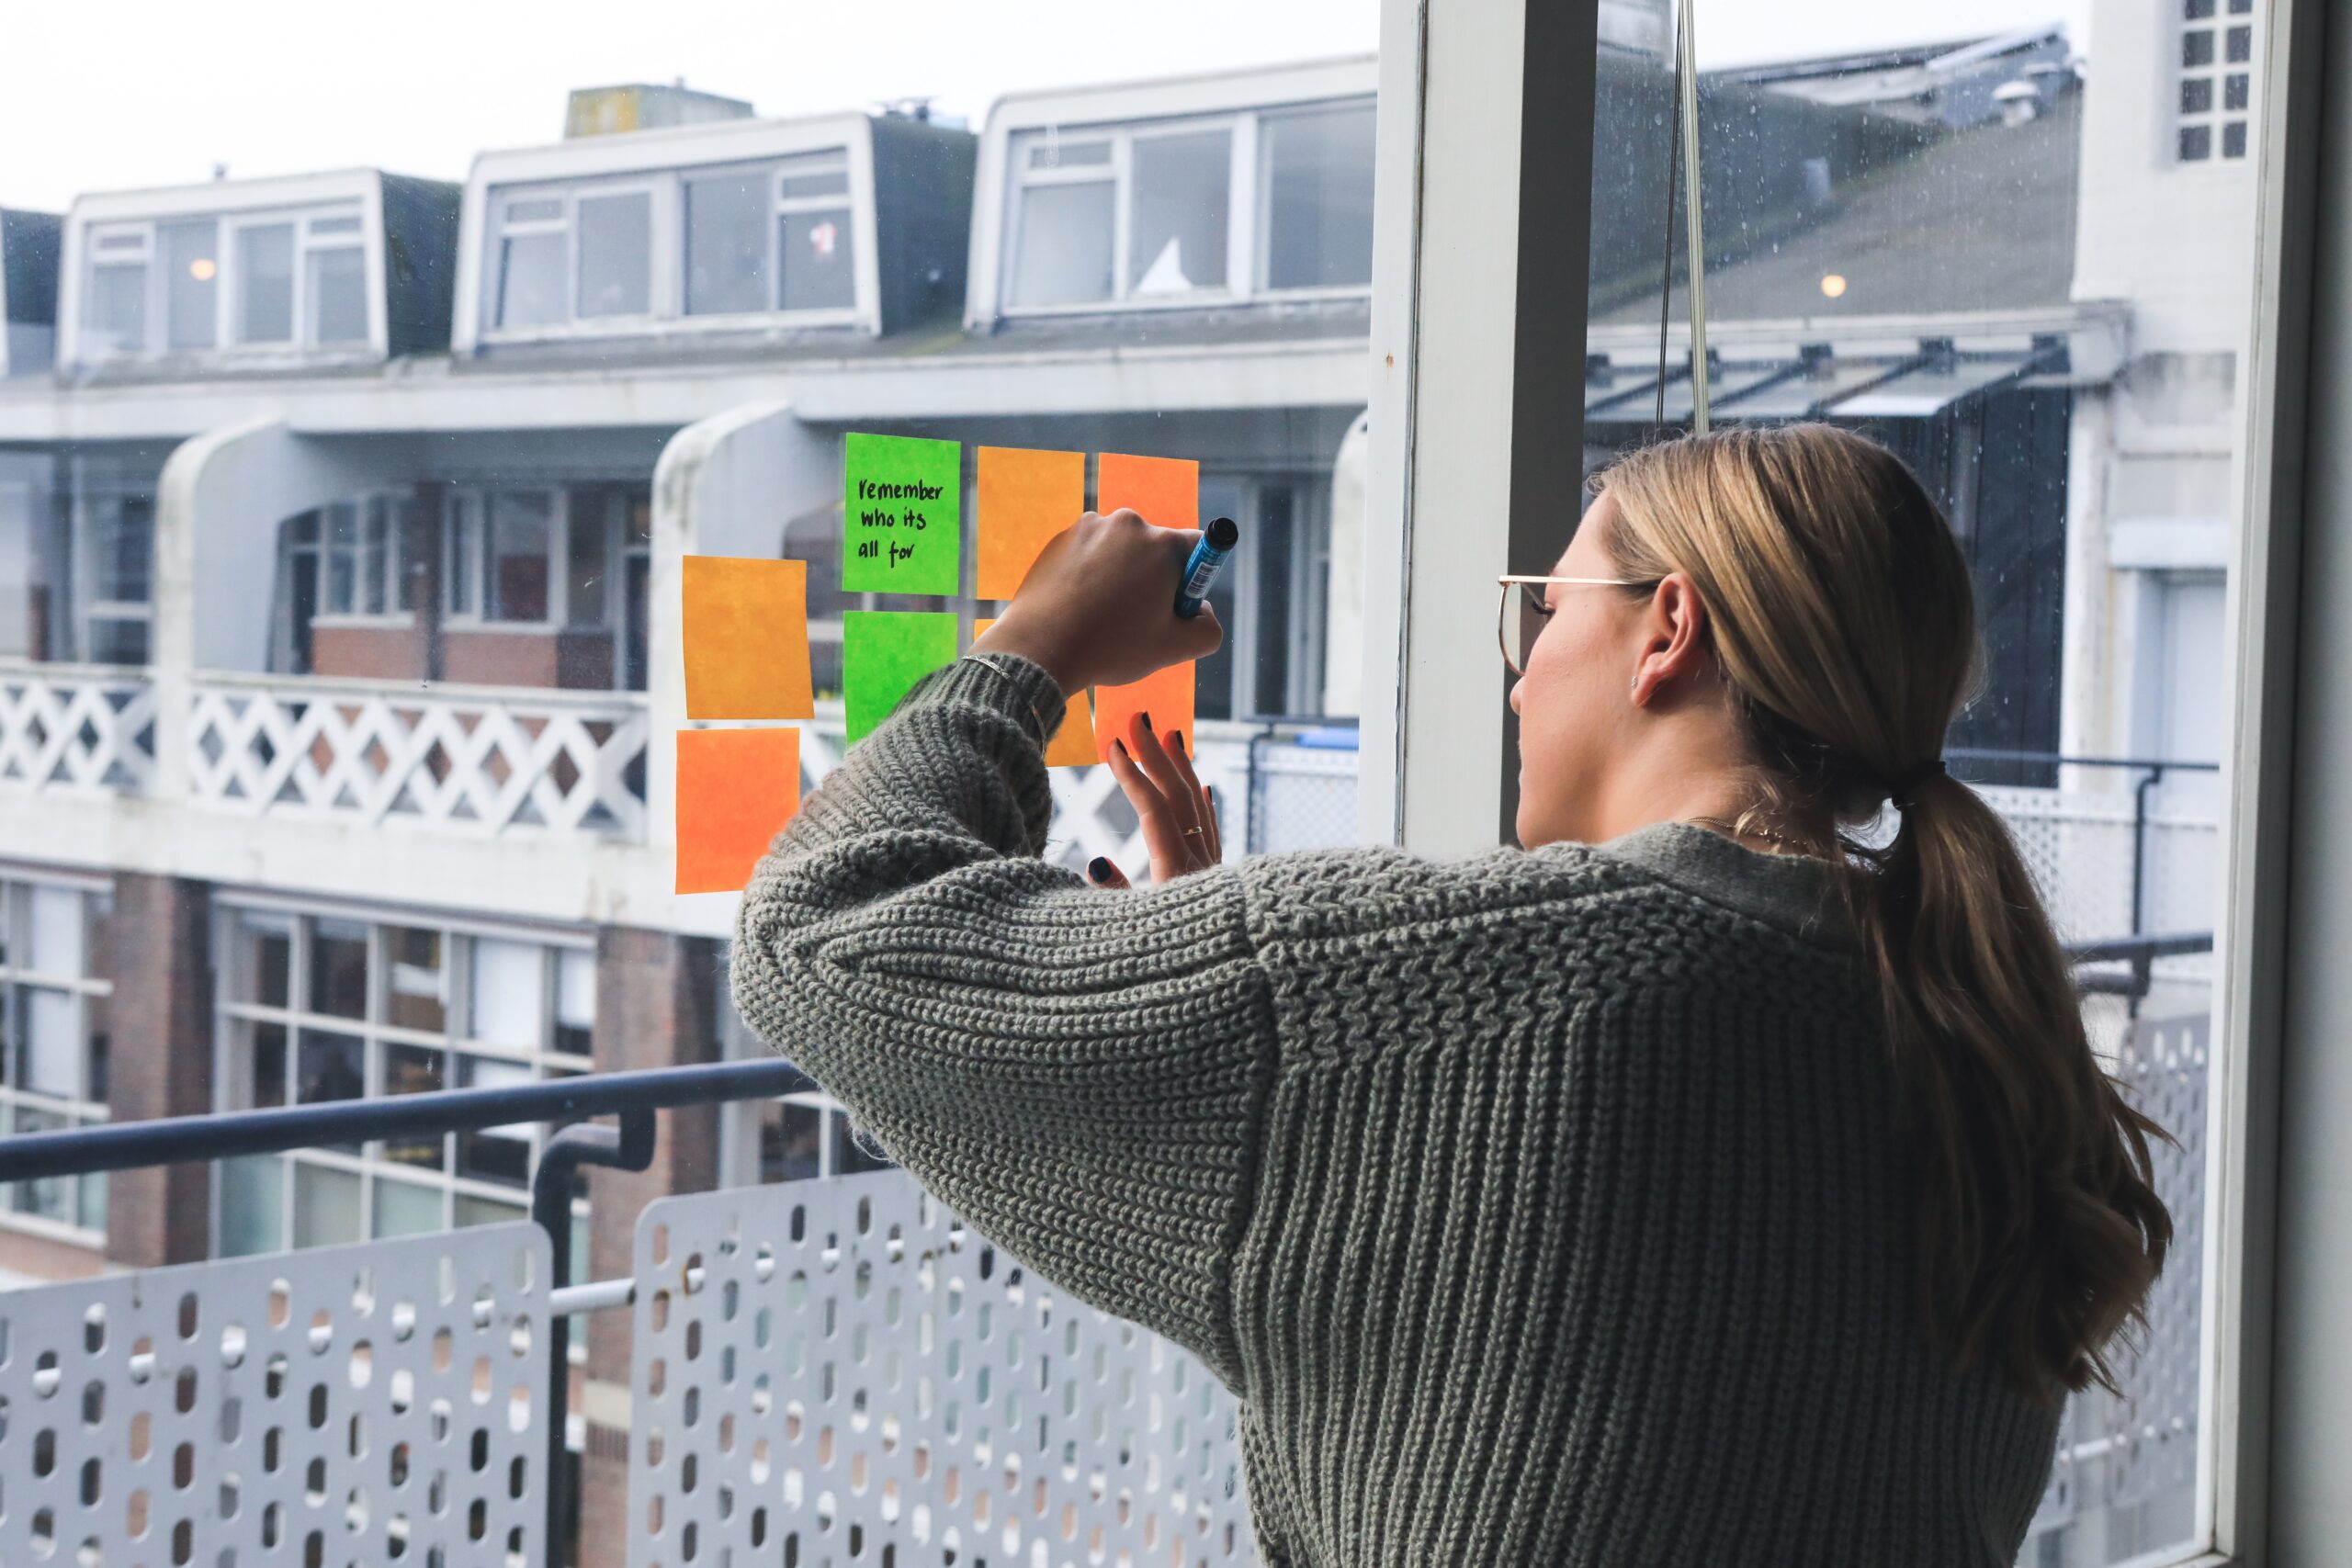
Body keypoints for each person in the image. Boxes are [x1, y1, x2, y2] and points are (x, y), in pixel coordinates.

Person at [730, 423, 2172, 1566]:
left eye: (1541, 613)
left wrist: (1026, 649)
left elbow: (821, 929)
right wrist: (1204, 971)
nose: (1519, 674)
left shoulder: (1440, 996)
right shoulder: (1964, 1025)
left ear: (1666, 629)